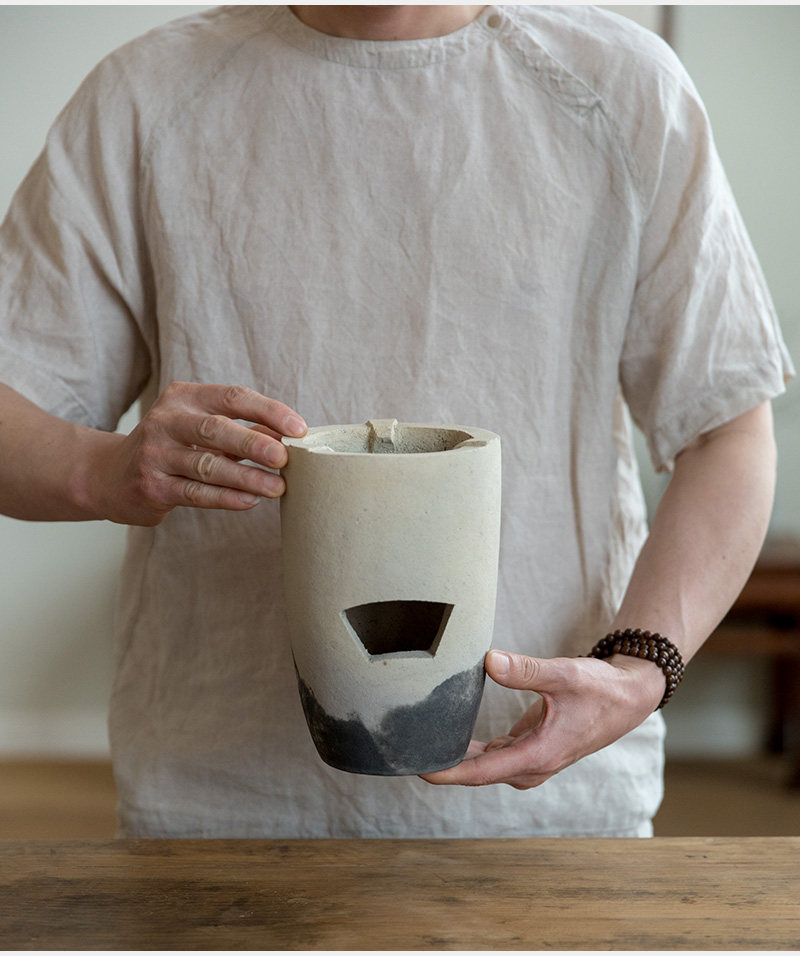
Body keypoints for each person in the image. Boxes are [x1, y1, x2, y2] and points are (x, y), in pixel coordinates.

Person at [0, 4, 793, 838]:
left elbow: (725, 429)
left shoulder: (625, 89)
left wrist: (640, 666)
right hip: (222, 806)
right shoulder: (143, 97)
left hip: (550, 810)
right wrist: (103, 468)